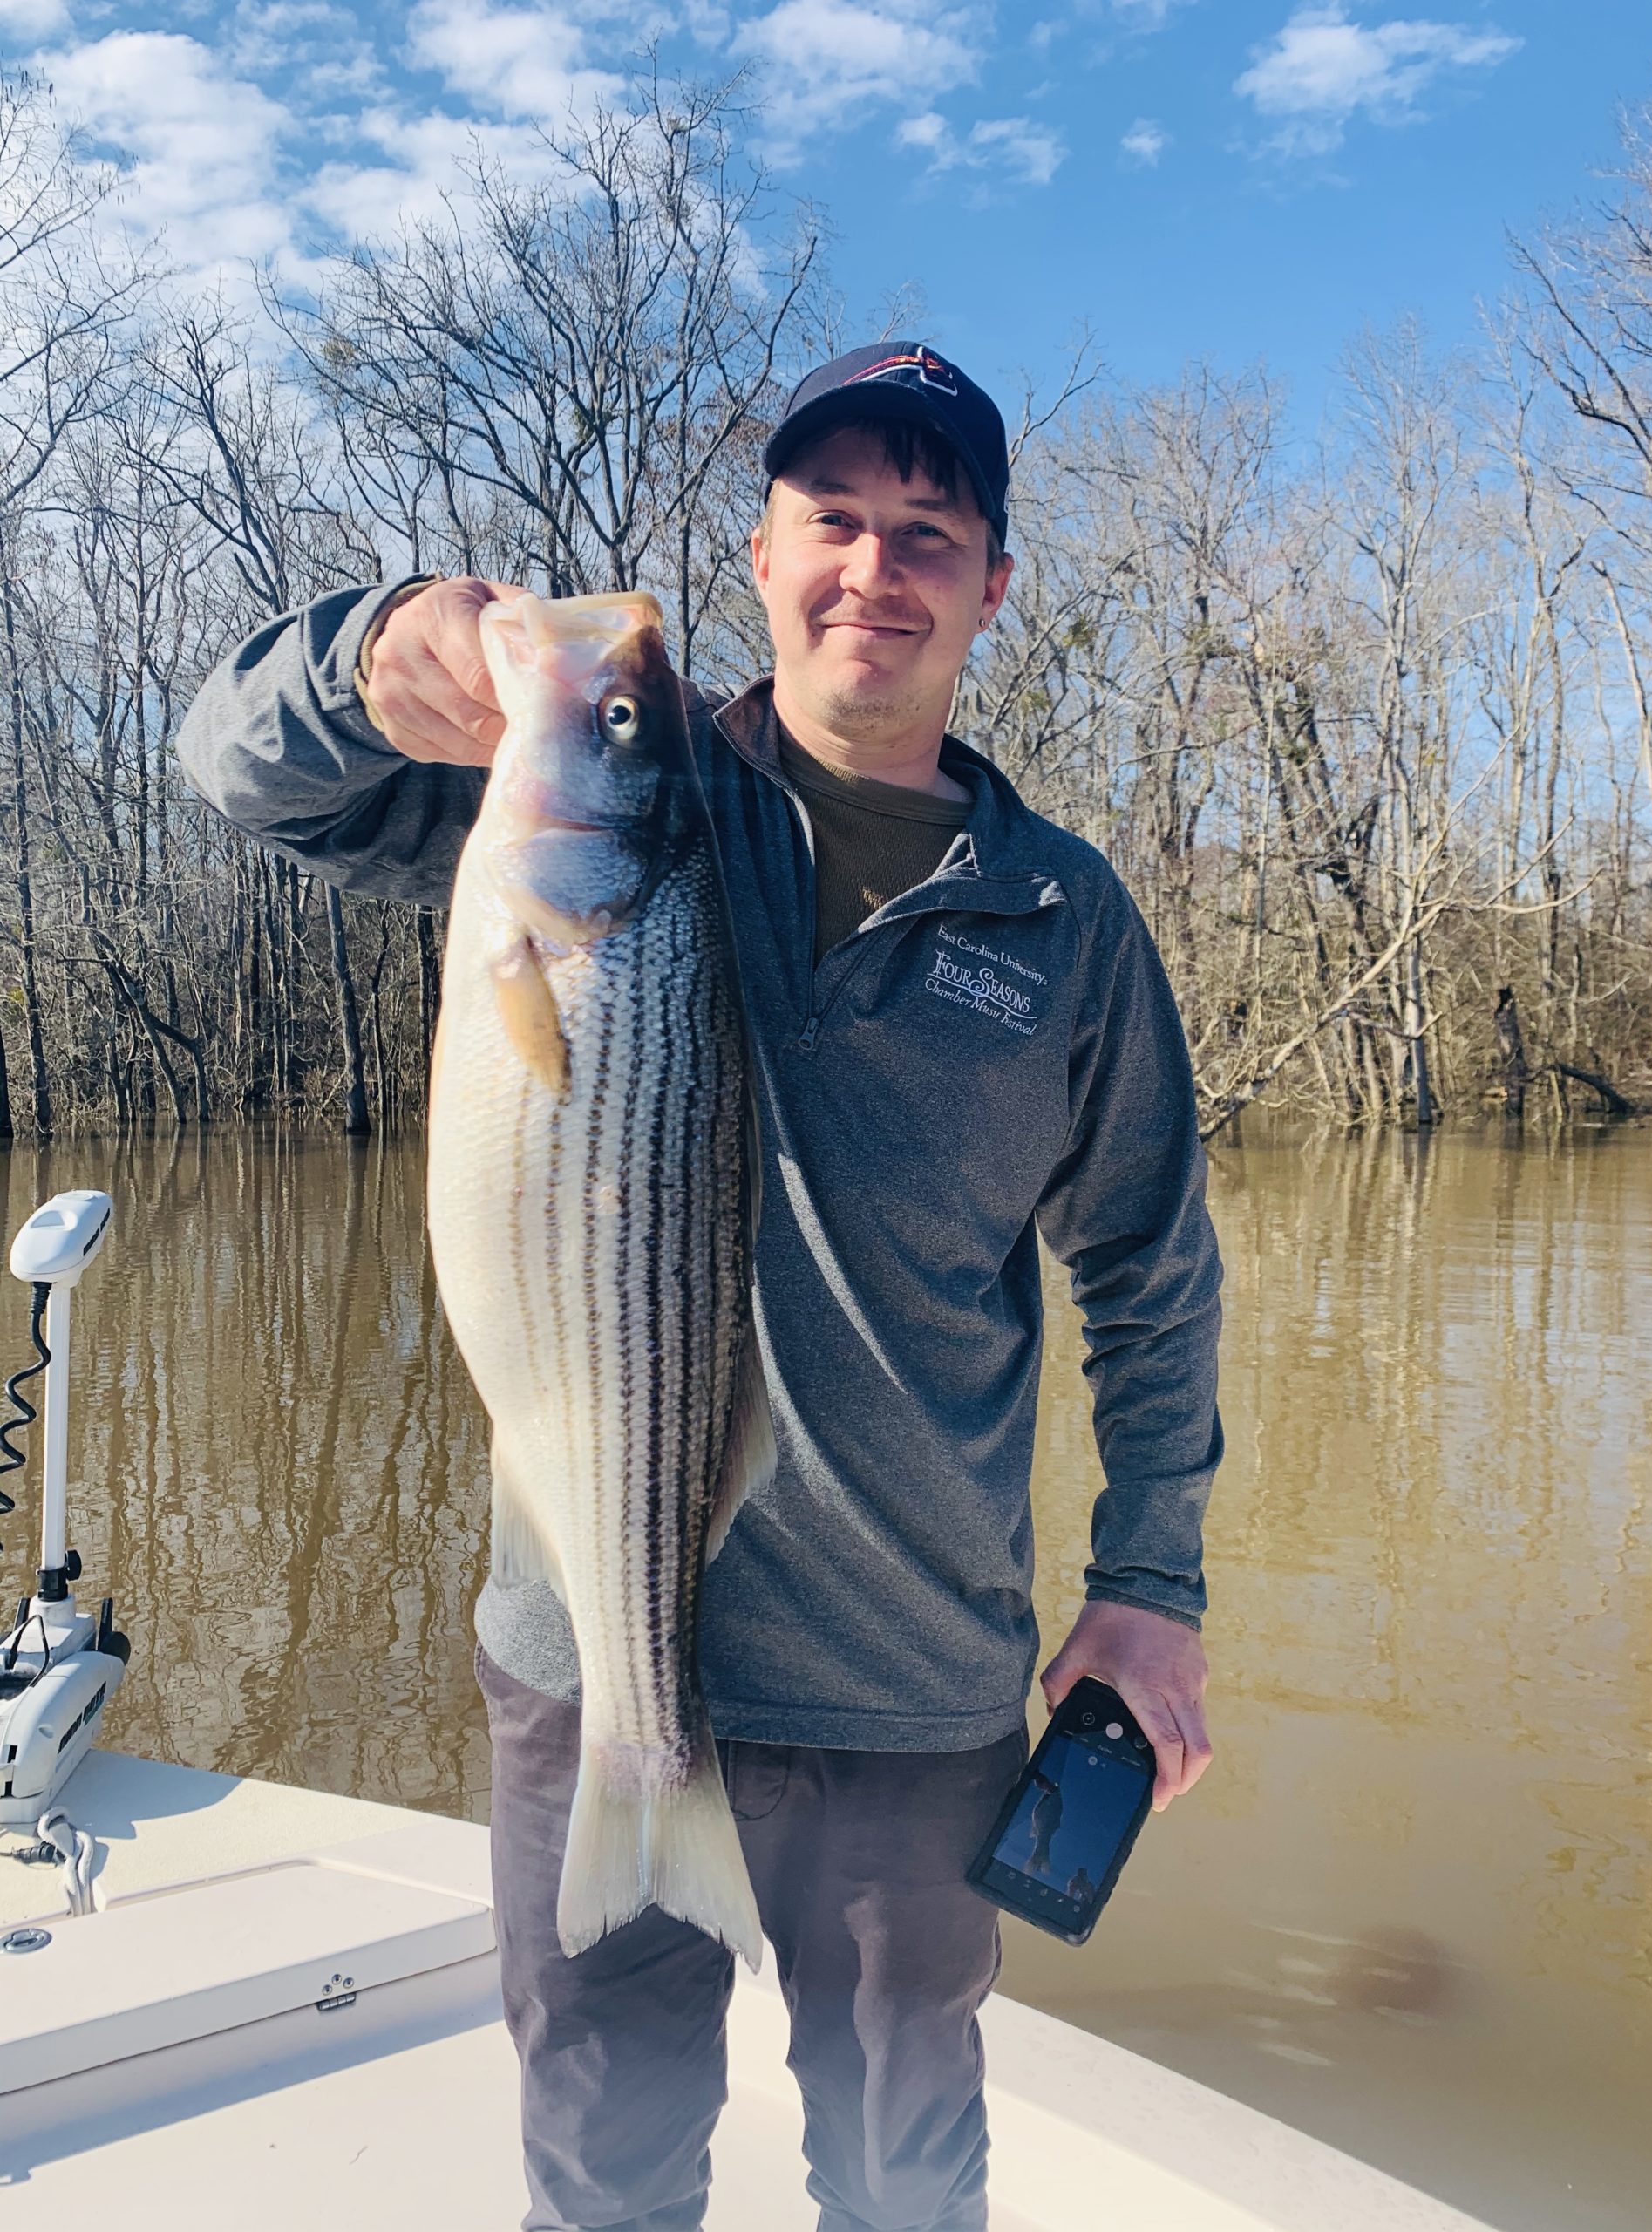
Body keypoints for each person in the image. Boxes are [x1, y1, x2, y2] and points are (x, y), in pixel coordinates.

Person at [177, 340, 1223, 2232]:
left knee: (909, 2177)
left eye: (929, 531)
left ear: (995, 584)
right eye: (832, 517)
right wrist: (374, 655)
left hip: (912, 1691)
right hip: (597, 1656)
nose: (872, 568)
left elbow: (1150, 1265)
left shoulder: (1067, 921)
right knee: (605, 2170)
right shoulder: (606, 810)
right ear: (762, 552)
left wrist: (1149, 1584)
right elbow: (235, 768)